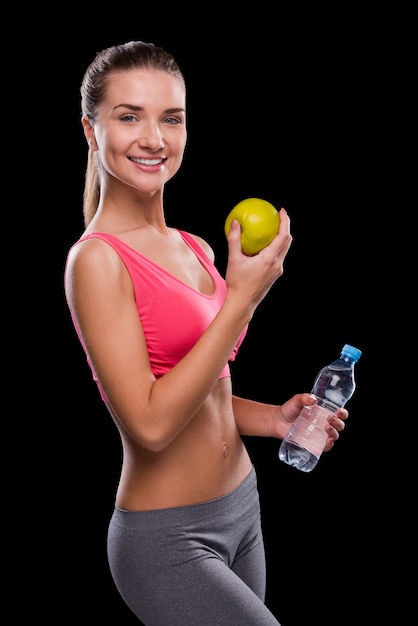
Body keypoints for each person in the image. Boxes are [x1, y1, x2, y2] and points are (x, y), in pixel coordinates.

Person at [64, 41, 349, 626]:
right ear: (91, 131)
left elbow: (206, 388)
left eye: (171, 117)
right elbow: (150, 424)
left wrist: (272, 418)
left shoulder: (192, 245)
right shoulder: (96, 261)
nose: (154, 138)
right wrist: (242, 300)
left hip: (242, 506)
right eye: (128, 116)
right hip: (166, 539)